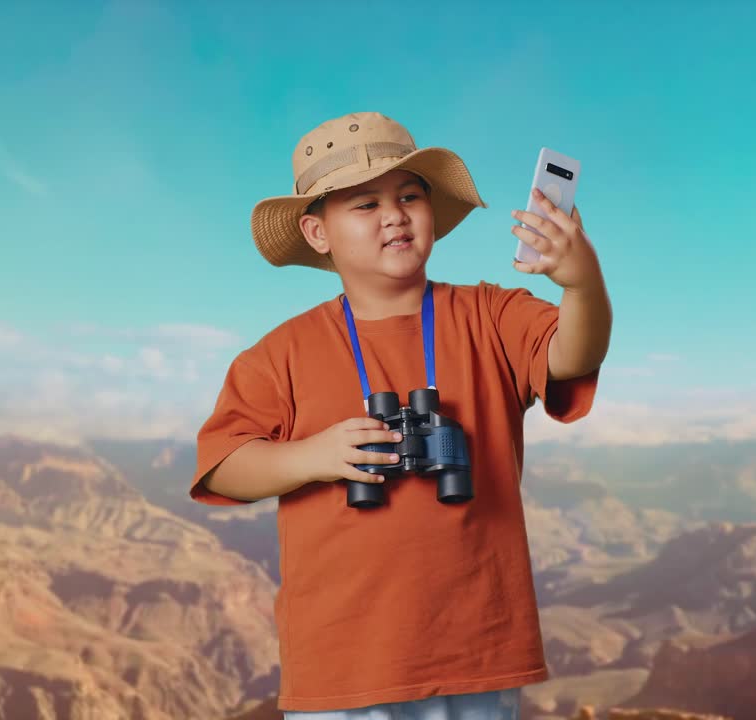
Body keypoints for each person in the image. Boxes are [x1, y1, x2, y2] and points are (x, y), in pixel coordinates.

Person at [191, 111, 611, 718]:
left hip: (478, 651)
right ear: (317, 233)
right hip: (343, 662)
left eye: (410, 195)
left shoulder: (490, 315)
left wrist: (582, 285)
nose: (394, 214)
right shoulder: (279, 353)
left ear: (432, 211)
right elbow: (223, 466)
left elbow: (573, 355)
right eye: (364, 205)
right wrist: (314, 456)